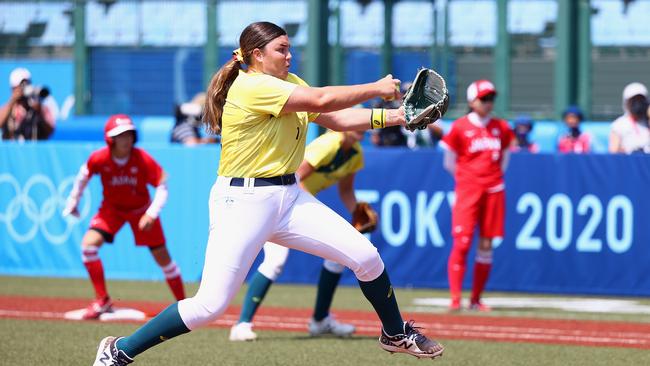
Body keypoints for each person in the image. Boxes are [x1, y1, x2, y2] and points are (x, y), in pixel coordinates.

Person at [91, 21, 443, 365]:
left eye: (289, 48)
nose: (289, 55)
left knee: (366, 257)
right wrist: (376, 87)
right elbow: (322, 97)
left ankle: (395, 333)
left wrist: (397, 117)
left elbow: (335, 118)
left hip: (289, 197)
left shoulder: (287, 81)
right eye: (282, 49)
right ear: (257, 55)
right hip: (242, 203)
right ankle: (120, 350)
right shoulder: (251, 86)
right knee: (208, 307)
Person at [229, 129, 367, 341]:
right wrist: (313, 209)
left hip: (297, 203)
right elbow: (296, 177)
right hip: (277, 200)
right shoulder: (328, 144)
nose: (362, 127)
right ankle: (241, 325)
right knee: (275, 261)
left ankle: (320, 321)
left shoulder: (356, 153)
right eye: (356, 121)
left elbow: (346, 191)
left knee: (338, 255)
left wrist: (356, 210)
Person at [63, 114, 186, 320]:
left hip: (141, 212)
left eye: (129, 133)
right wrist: (73, 201)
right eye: (120, 135)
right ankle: (102, 300)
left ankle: (184, 306)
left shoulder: (142, 158)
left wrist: (151, 213)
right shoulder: (99, 158)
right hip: (111, 210)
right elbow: (83, 176)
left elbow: (163, 187)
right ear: (110, 139)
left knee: (164, 260)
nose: (126, 138)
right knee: (88, 246)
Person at [440, 79, 514, 312]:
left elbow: (505, 156)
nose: (488, 103)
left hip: (493, 190)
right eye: (484, 99)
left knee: (486, 244)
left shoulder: (500, 127)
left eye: (491, 98)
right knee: (461, 243)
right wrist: (467, 179)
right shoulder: (460, 127)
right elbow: (449, 162)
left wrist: (493, 178)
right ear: (472, 101)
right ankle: (455, 298)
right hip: (468, 190)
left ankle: (475, 299)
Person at [0, 67, 56, 140]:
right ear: (13, 89)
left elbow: (50, 131)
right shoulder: (9, 108)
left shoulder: (39, 107)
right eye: (21, 86)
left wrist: (40, 112)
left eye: (27, 84)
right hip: (12, 150)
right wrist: (12, 101)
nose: (24, 88)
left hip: (33, 150)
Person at [609, 82, 650, 154]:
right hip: (629, 163)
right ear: (626, 102)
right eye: (634, 100)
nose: (638, 103)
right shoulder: (619, 125)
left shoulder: (647, 122)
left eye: (640, 100)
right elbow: (613, 153)